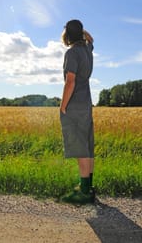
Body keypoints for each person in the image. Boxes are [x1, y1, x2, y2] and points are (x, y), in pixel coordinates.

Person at [60, 19, 95, 204]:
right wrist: (82, 31)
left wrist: (63, 105)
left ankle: (83, 193)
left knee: (80, 147)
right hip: (87, 104)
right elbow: (91, 39)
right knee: (88, 145)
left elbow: (70, 81)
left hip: (75, 105)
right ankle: (88, 188)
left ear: (67, 34)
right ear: (80, 33)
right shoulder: (87, 51)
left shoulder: (72, 52)